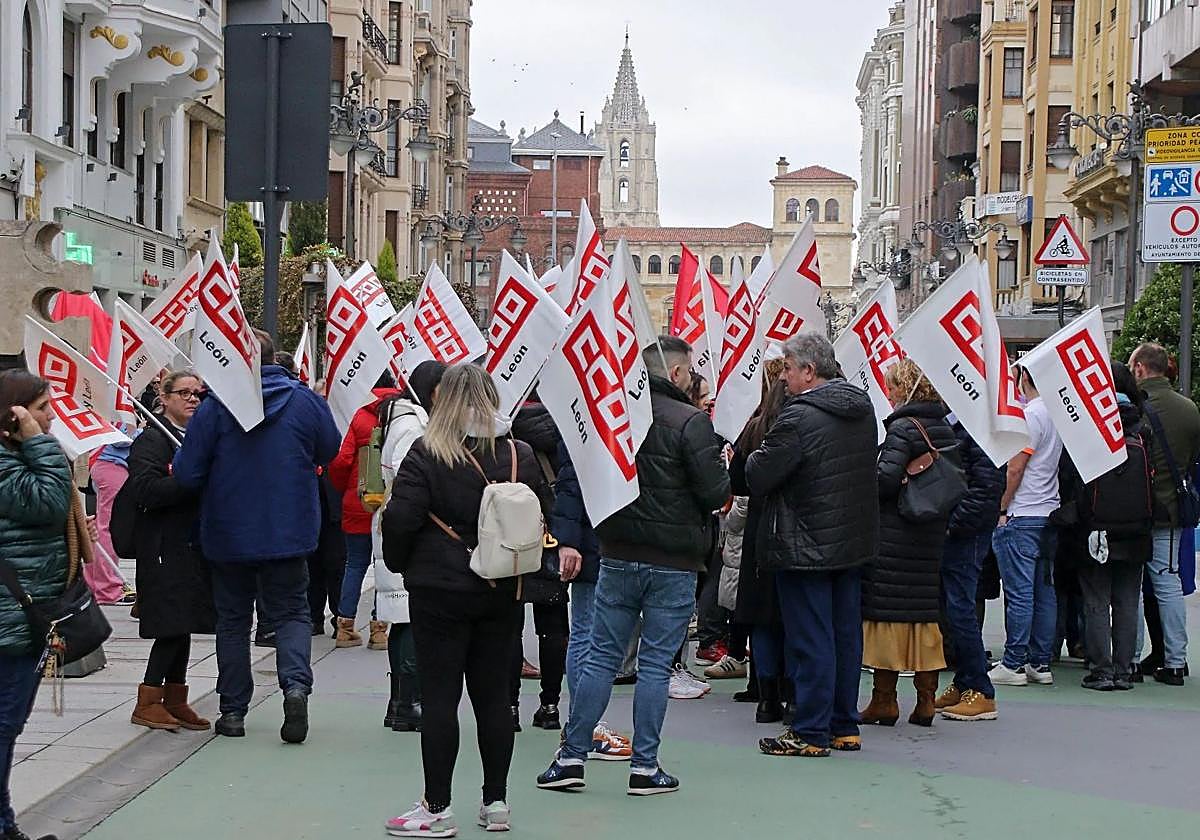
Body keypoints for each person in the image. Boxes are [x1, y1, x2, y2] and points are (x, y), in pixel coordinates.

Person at [538, 335, 730, 795]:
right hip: (674, 559)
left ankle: (571, 756)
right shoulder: (690, 423)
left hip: (620, 552)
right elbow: (713, 492)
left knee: (602, 657)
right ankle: (645, 766)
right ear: (680, 373)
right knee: (656, 664)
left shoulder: (618, 419)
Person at [381, 364, 548, 835]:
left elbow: (402, 519)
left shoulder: (428, 453)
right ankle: (496, 802)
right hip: (502, 587)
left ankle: (437, 806)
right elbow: (542, 512)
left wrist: (401, 564)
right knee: (495, 699)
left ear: (442, 400)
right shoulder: (519, 453)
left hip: (440, 588)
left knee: (440, 698)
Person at [173, 330, 340, 744]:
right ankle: (296, 688)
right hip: (289, 527)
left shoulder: (215, 407)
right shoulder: (303, 400)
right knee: (291, 613)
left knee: (232, 621)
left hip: (229, 531)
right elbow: (330, 450)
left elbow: (189, 472)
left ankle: (232, 710)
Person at [746, 333, 878, 758]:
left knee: (811, 638)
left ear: (809, 370)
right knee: (843, 636)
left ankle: (810, 730)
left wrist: (749, 456)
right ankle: (843, 724)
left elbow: (758, 474)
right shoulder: (862, 409)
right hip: (850, 540)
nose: (783, 377)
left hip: (804, 543)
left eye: (787, 368)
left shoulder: (798, 417)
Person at [859, 360, 959, 729]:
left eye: (892, 386)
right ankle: (926, 700)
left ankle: (884, 700)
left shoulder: (902, 428)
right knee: (922, 615)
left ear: (904, 389)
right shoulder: (942, 427)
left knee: (887, 613)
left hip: (896, 530)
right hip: (930, 530)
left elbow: (884, 481)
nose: (888, 392)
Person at [0, 369, 74, 840]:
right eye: (43, 408)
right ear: (15, 413)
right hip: (10, 617)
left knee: (9, 723)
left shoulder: (15, 457)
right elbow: (49, 501)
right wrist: (37, 441)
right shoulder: (7, 462)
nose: (51, 418)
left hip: (25, 613)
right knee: (4, 724)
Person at [126, 370, 216, 731]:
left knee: (186, 622)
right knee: (170, 623)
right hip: (163, 544)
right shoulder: (152, 440)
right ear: (163, 398)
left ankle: (175, 698)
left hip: (194, 543)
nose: (193, 399)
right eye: (184, 393)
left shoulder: (196, 437)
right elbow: (146, 490)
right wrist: (189, 480)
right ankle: (148, 698)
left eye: (199, 393)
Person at [1060, 363, 1153, 691]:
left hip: (1096, 529)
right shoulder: (1143, 426)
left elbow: (1072, 478)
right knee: (1127, 599)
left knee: (1096, 599)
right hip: (1138, 529)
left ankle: (1101, 670)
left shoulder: (1088, 424)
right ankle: (1124, 669)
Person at [551, 441, 634, 760]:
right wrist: (568, 541)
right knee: (589, 635)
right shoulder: (592, 417)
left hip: (595, 538)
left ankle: (582, 723)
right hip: (594, 540)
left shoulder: (588, 414)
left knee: (588, 634)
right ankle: (584, 725)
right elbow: (572, 482)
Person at [376, 360, 445, 733]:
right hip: (409, 533)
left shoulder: (408, 421)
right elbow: (412, 484)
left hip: (403, 531)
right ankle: (409, 701)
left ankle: (401, 701)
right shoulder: (411, 426)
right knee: (409, 619)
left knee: (406, 619)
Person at [1130, 342, 1200, 685]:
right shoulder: (1189, 409)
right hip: (1170, 509)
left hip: (1133, 508)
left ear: (1141, 368)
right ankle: (1175, 660)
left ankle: (1129, 658)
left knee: (1129, 585)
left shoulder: (1136, 408)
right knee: (1168, 584)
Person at [989, 367, 1063, 687]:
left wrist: (1002, 507)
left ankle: (1014, 662)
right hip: (1048, 510)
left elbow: (1015, 468)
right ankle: (1039, 661)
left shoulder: (1030, 415)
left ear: (1024, 379)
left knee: (1020, 593)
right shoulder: (1056, 413)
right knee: (1044, 591)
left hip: (1023, 512)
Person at [729, 367, 792, 724]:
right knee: (794, 617)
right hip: (795, 530)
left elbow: (736, 480)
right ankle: (792, 693)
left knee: (763, 619)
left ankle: (766, 698)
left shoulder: (755, 429)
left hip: (759, 531)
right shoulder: (804, 428)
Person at [935, 417, 1005, 721]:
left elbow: (987, 485)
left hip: (967, 531)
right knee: (954, 607)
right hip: (962, 527)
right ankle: (966, 681)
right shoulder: (962, 425)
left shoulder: (976, 428)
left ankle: (980, 687)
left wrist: (954, 524)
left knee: (960, 607)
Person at [509, 391, 570, 732]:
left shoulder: (504, 439)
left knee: (509, 628)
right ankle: (550, 705)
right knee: (554, 628)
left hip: (513, 543)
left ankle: (510, 706)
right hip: (551, 536)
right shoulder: (562, 433)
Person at [328, 372, 402, 650]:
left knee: (355, 563)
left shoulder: (360, 416)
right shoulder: (402, 417)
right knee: (385, 565)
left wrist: (346, 488)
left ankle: (344, 626)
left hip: (358, 501)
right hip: (390, 504)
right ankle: (379, 629)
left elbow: (341, 461)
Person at [86, 432, 136, 605]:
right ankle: (107, 588)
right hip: (113, 464)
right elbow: (120, 439)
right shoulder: (117, 407)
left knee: (100, 527)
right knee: (108, 527)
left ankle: (93, 585)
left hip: (103, 463)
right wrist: (141, 432)